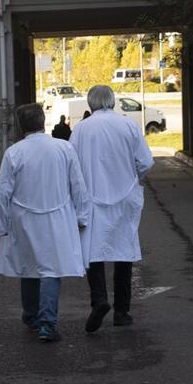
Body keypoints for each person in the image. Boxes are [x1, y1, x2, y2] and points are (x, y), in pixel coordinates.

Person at [0, 103, 91, 342]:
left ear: (20, 126)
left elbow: (1, 192)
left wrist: (2, 224)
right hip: (57, 217)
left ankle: (31, 315)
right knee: (50, 269)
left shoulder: (15, 152)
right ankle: (47, 323)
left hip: (23, 218)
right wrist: (82, 216)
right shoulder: (63, 148)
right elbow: (78, 185)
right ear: (43, 120)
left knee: (29, 266)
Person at [69, 85, 154, 332]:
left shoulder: (81, 130)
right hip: (125, 197)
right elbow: (146, 162)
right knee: (123, 251)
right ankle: (122, 311)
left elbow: (72, 167)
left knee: (92, 252)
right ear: (113, 101)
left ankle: (99, 299)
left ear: (90, 104)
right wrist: (134, 178)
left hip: (92, 198)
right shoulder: (127, 125)